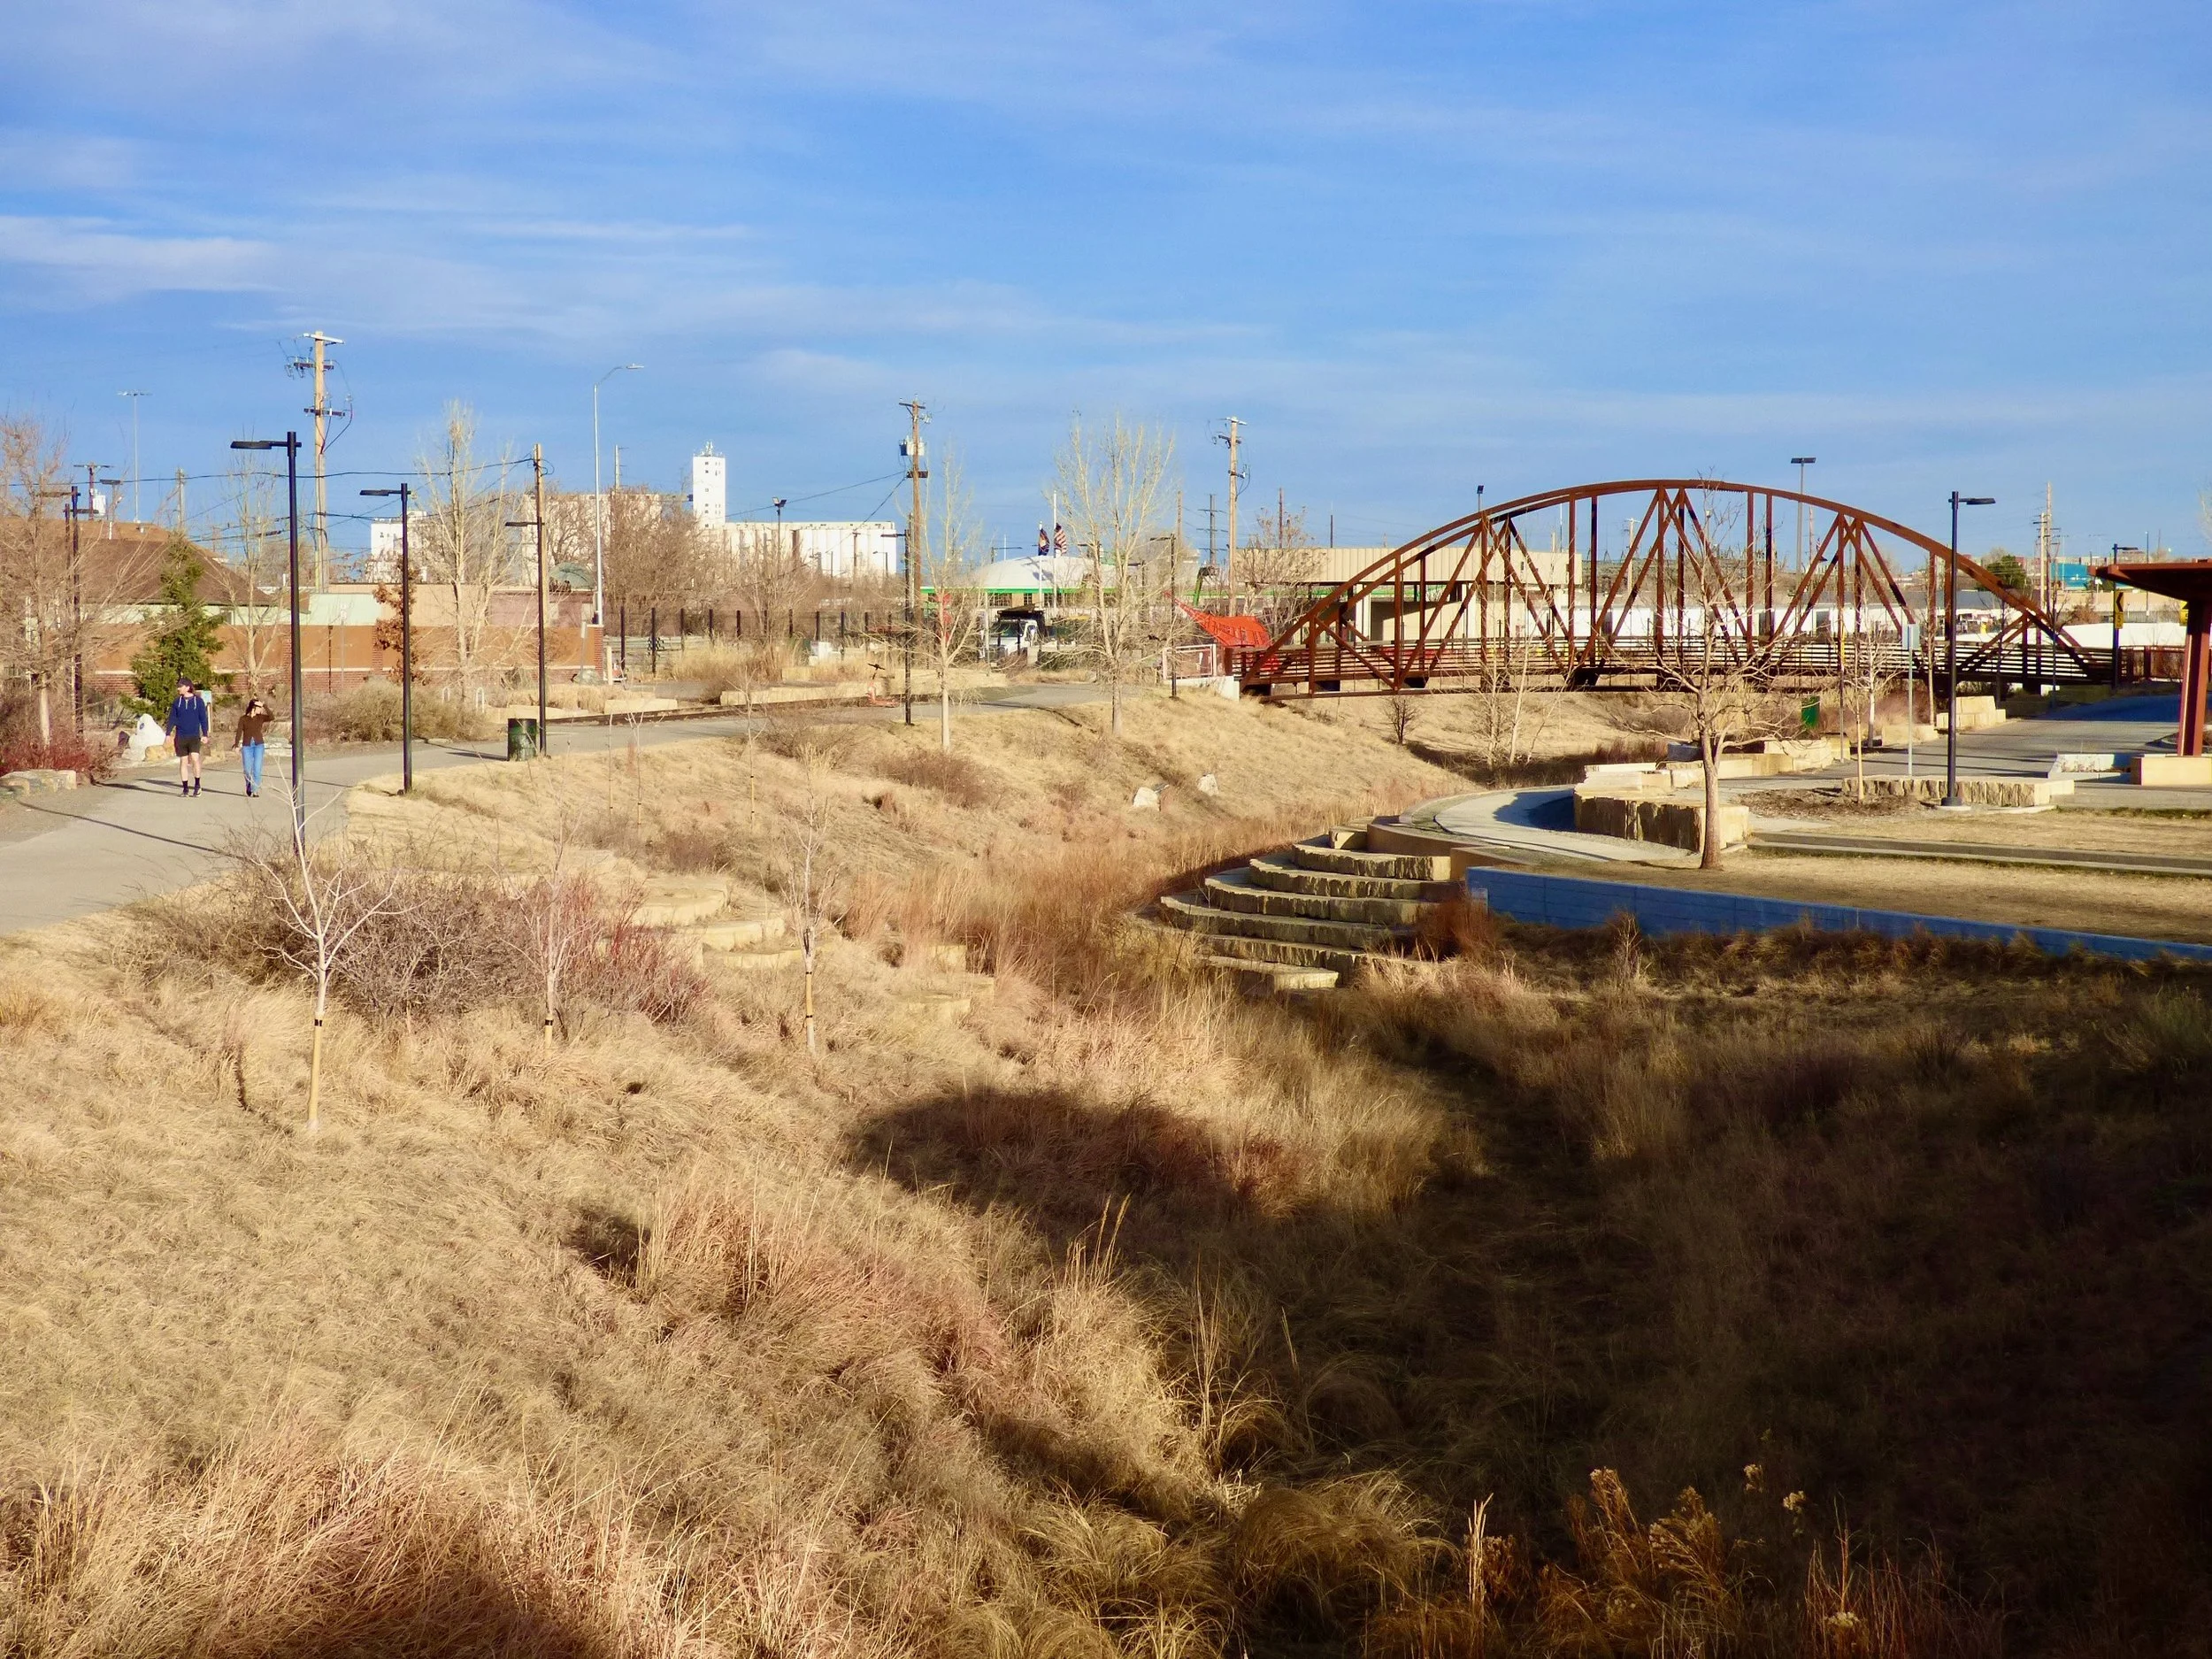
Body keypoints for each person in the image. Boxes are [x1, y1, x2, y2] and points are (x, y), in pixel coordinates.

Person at [165, 678, 212, 796]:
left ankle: (197, 785)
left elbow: (203, 719)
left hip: (194, 736)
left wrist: (205, 734)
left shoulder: (198, 701)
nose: (178, 689)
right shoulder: (177, 702)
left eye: (180, 686)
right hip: (181, 736)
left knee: (195, 759)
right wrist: (168, 733)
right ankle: (185, 788)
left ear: (187, 687)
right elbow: (172, 718)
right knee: (183, 761)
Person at [235, 695, 271, 798]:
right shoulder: (243, 719)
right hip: (247, 746)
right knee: (247, 769)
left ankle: (255, 790)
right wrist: (236, 744)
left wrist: (264, 705)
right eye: (259, 707)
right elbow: (238, 732)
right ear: (254, 708)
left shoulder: (261, 718)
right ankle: (249, 785)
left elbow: (272, 717)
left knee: (257, 768)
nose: (261, 710)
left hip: (258, 745)